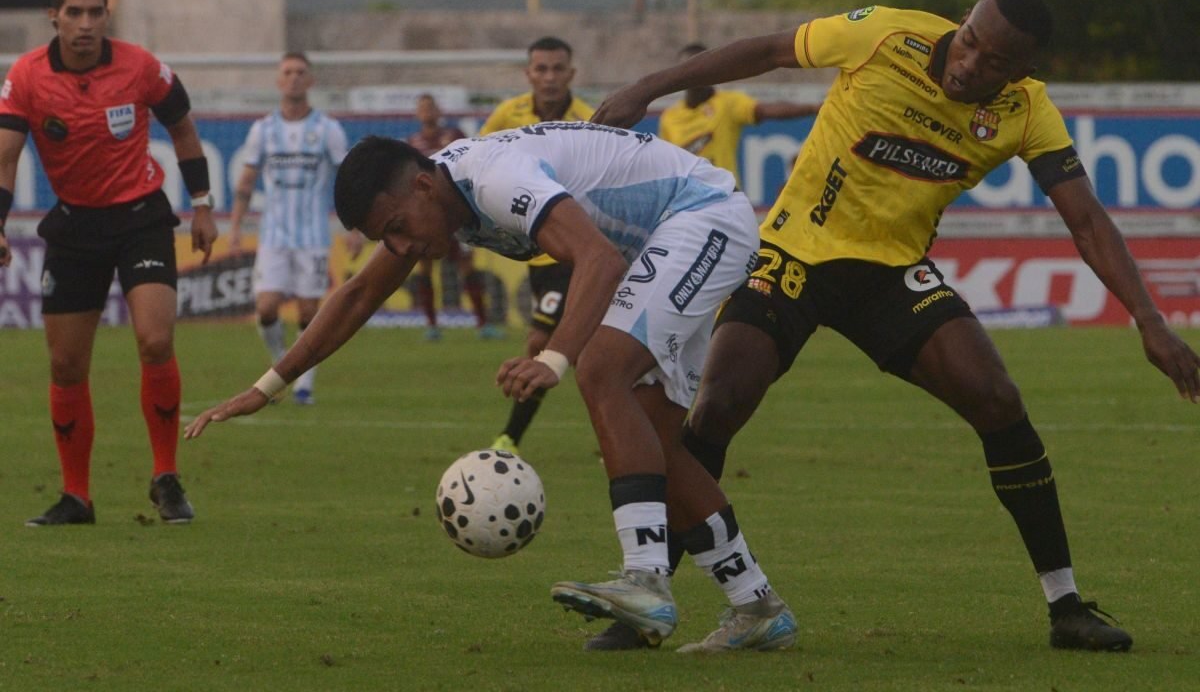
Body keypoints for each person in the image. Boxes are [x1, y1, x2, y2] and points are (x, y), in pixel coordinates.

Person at [592, 0, 1200, 652]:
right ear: (964, 19)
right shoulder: (883, 34)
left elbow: (1085, 218)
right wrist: (646, 87)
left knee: (998, 400)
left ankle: (1067, 608)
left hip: (889, 274)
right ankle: (647, 609)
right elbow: (766, 49)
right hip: (793, 258)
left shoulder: (1028, 111)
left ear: (1020, 70)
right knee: (717, 409)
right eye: (970, 39)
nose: (969, 62)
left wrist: (1149, 319)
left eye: (994, 61)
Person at [185, 124, 798, 653]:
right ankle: (757, 609)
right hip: (663, 244)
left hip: (701, 217)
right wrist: (268, 386)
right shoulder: (439, 198)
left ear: (422, 185)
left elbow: (599, 260)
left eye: (398, 227)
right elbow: (359, 294)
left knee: (598, 371)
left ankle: (645, 580)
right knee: (655, 439)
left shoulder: (496, 180)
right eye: (385, 240)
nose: (400, 248)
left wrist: (554, 357)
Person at [0, 0, 219, 526]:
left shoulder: (140, 66)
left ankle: (166, 477)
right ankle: (77, 497)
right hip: (74, 227)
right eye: (74, 13)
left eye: (95, 12)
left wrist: (201, 204)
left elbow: (185, 129)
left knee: (153, 339)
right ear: (54, 16)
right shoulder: (25, 76)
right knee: (66, 364)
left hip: (141, 218)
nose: (85, 24)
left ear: (106, 17)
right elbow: (5, 157)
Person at [479, 36, 594, 454]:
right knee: (585, 354)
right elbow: (475, 162)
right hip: (541, 252)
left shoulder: (589, 119)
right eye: (541, 69)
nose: (549, 77)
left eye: (557, 69)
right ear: (528, 73)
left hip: (584, 249)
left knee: (541, 344)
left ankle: (510, 437)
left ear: (571, 74)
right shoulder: (508, 116)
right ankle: (627, 431)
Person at [228, 52, 348, 405]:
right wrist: (235, 228)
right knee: (266, 308)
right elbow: (246, 183)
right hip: (274, 236)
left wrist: (353, 229)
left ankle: (304, 383)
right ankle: (281, 363)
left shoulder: (328, 129)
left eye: (300, 72)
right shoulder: (263, 130)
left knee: (310, 313)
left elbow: (345, 180)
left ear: (310, 81)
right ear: (279, 81)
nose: (294, 78)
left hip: (313, 236)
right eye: (287, 72)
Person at [403, 93, 495, 341]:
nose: (427, 112)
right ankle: (432, 325)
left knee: (467, 265)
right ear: (417, 114)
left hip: (456, 214)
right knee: (424, 267)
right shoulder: (412, 144)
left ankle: (482, 323)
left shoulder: (454, 137)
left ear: (439, 110)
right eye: (422, 108)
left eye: (430, 107)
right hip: (428, 219)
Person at [658, 42, 820, 182]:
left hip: (723, 198)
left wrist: (813, 108)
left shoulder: (727, 103)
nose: (693, 75)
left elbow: (767, 110)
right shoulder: (669, 117)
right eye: (686, 70)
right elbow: (666, 167)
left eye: (699, 68)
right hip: (685, 204)